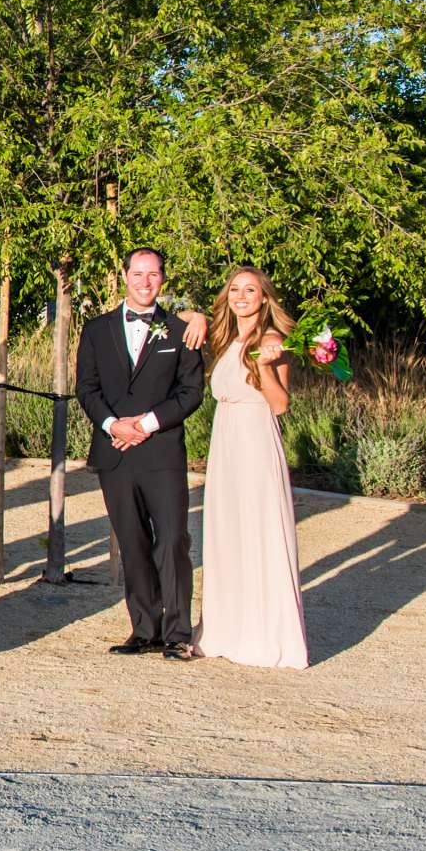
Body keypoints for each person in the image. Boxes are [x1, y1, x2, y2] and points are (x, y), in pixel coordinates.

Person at [78, 246, 208, 661]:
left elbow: (191, 392)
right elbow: (87, 388)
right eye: (138, 274)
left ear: (162, 280)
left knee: (172, 540)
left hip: (162, 451)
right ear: (125, 276)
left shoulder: (181, 329)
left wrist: (146, 424)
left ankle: (178, 632)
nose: (145, 282)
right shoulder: (96, 330)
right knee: (132, 543)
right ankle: (144, 628)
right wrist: (113, 425)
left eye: (153, 275)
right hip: (114, 451)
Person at [198, 266, 308, 669]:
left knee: (258, 530)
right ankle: (224, 629)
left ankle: (263, 635)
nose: (241, 296)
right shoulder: (227, 338)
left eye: (250, 290)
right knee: (227, 533)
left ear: (264, 297)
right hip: (225, 440)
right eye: (235, 289)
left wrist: (263, 365)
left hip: (255, 441)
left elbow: (280, 404)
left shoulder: (271, 339)